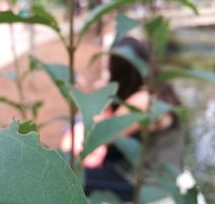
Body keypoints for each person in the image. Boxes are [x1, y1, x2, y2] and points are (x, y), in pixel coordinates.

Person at [60, 37, 184, 201]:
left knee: (66, 178)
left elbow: (101, 135)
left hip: (146, 183)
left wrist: (91, 98)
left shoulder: (143, 101)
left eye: (110, 67)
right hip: (154, 172)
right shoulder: (159, 91)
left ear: (121, 72)